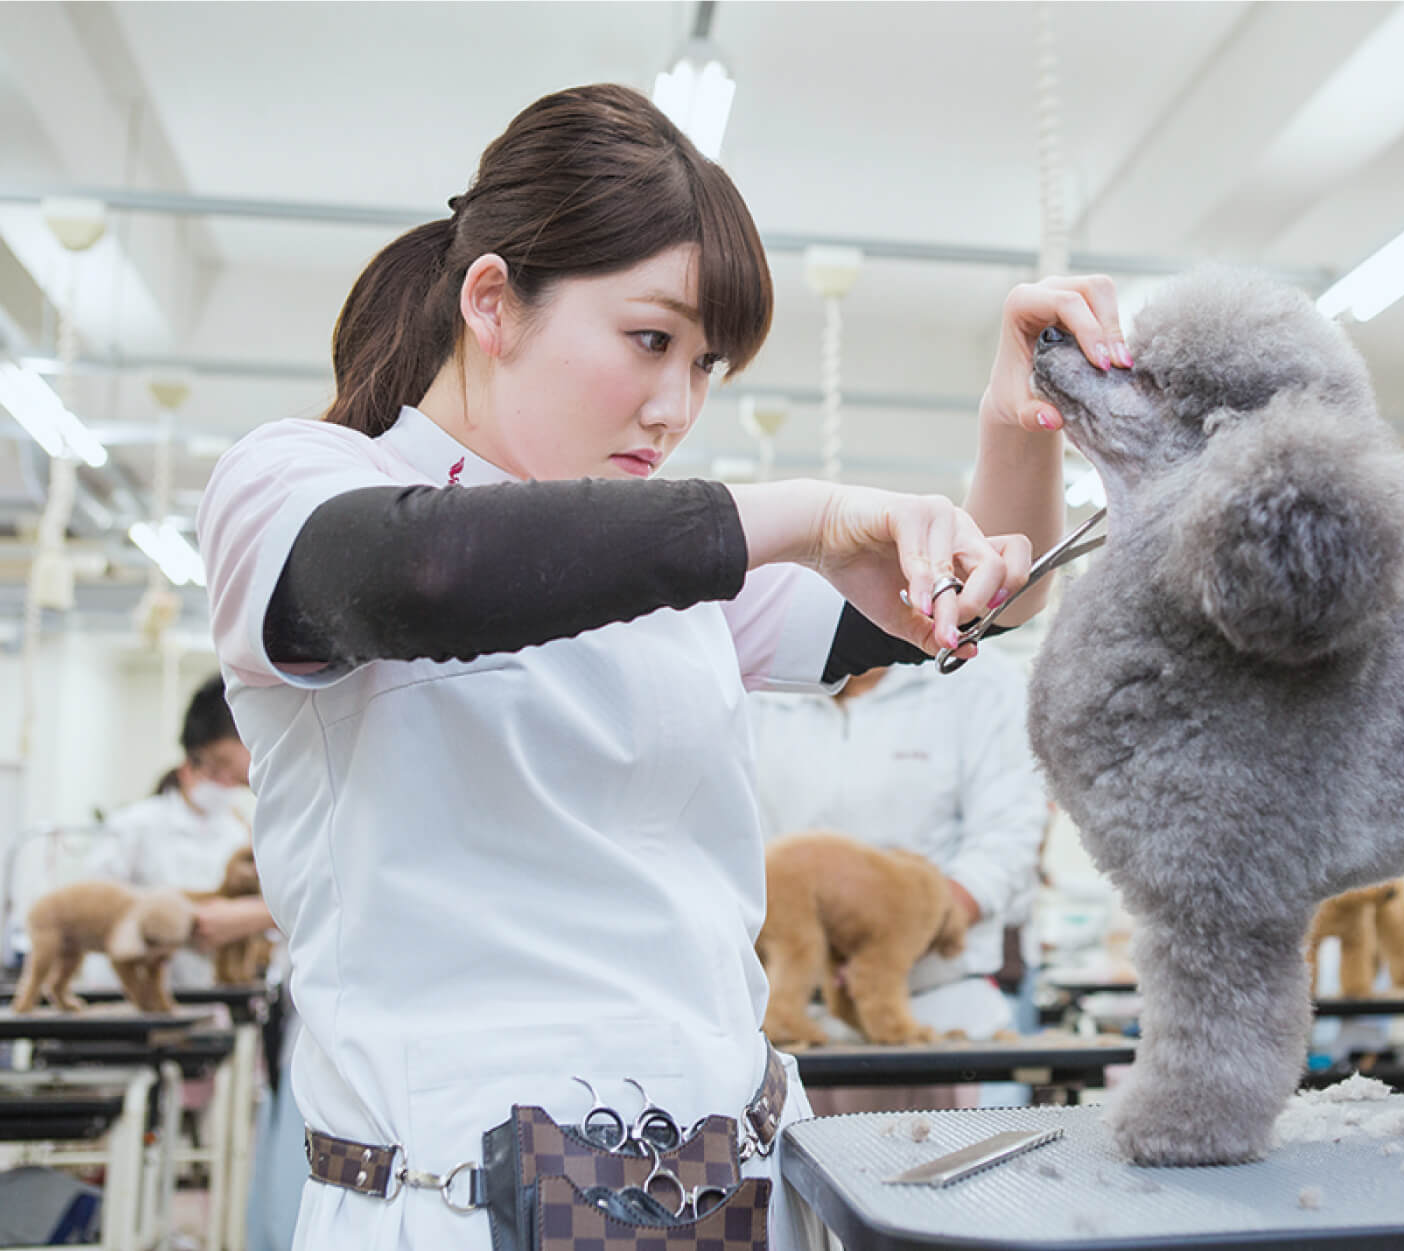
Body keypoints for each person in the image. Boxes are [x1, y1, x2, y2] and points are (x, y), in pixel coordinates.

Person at [195, 82, 1122, 1251]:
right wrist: (804, 512)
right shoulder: (297, 481)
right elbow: (416, 578)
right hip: (463, 1214)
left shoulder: (670, 563)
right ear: (493, 301)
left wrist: (1016, 417)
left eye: (707, 364)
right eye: (651, 340)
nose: (678, 403)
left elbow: (974, 606)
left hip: (724, 1192)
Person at [751, 648, 1047, 1047]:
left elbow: (1009, 834)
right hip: (781, 1019)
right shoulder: (758, 685)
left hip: (934, 1007)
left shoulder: (981, 683)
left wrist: (912, 930)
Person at [92, 675, 255, 987]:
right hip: (126, 986)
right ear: (188, 767)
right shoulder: (134, 825)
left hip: (203, 988)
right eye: (215, 767)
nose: (227, 780)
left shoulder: (239, 831)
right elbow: (97, 902)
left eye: (227, 770)